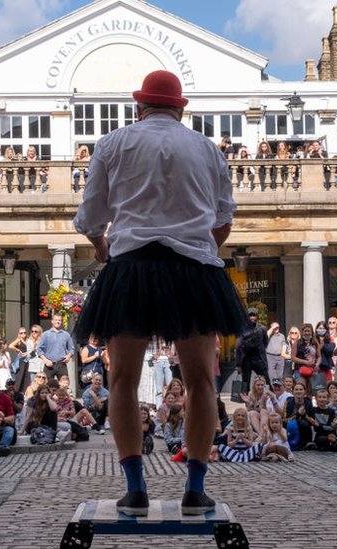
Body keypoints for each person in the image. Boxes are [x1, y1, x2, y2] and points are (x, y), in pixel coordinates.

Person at [71, 70, 244, 516]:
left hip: (131, 266)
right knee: (202, 380)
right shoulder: (208, 149)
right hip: (194, 270)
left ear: (138, 107)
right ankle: (195, 488)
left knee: (122, 380)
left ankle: (135, 488)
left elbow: (90, 217)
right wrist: (201, 251)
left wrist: (101, 247)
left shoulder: (113, 143)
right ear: (181, 108)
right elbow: (224, 221)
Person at [236, 308, 269, 391]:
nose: (252, 317)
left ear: (256, 316)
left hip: (259, 359)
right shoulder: (242, 329)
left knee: (266, 381)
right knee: (245, 383)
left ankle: (267, 400)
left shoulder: (262, 328)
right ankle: (247, 402)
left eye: (253, 315)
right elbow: (238, 347)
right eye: (250, 315)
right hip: (246, 359)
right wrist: (238, 365)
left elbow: (265, 343)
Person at [37, 313, 74, 381]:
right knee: (47, 387)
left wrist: (68, 356)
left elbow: (71, 348)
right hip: (49, 364)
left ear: (61, 322)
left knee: (64, 386)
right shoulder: (45, 334)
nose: (57, 322)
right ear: (52, 321)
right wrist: (46, 360)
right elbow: (39, 350)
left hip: (61, 364)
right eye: (56, 320)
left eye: (59, 320)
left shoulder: (66, 335)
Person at [284, 381, 314, 450]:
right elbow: (285, 419)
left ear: (304, 392)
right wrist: (298, 414)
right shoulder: (289, 401)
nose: (298, 391)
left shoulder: (308, 403)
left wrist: (304, 415)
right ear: (293, 391)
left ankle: (305, 443)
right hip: (291, 426)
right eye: (296, 389)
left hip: (304, 427)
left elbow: (312, 420)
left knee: (303, 423)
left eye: (301, 390)